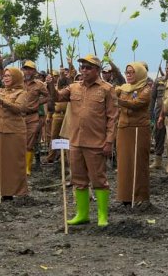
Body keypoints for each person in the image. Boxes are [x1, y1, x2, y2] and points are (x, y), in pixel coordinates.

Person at [46, 55, 118, 227]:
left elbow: (112, 118)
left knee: (99, 179)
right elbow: (57, 97)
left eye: (88, 67)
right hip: (76, 141)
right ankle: (82, 214)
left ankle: (102, 215)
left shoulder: (107, 89)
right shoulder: (73, 88)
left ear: (97, 70)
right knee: (78, 179)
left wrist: (109, 142)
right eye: (82, 67)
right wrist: (50, 84)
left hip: (96, 142)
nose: (84, 70)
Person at [0, 67, 28, 199]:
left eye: (8, 76)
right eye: (4, 76)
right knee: (2, 162)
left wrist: (1, 100)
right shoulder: (1, 90)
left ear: (16, 78)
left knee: (16, 162)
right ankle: (5, 192)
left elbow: (19, 108)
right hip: (0, 129)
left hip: (15, 131)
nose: (5, 78)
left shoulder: (22, 93)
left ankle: (19, 192)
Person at [115, 62, 151, 207]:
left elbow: (136, 104)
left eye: (132, 72)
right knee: (124, 163)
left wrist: (117, 100)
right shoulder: (123, 88)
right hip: (124, 128)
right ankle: (125, 196)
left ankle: (140, 196)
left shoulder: (146, 89)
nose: (128, 74)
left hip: (138, 129)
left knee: (138, 162)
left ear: (140, 73)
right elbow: (110, 91)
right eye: (127, 72)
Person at [21, 60, 49, 175]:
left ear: (34, 71)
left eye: (30, 69)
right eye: (25, 68)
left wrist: (38, 103)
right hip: (19, 116)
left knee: (30, 142)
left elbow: (49, 96)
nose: (27, 71)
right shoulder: (18, 82)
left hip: (33, 116)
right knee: (19, 142)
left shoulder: (39, 84)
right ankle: (20, 166)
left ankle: (27, 168)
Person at [149, 69, 167, 169]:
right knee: (158, 136)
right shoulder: (158, 81)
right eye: (167, 68)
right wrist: (150, 114)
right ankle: (157, 161)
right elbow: (152, 98)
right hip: (158, 113)